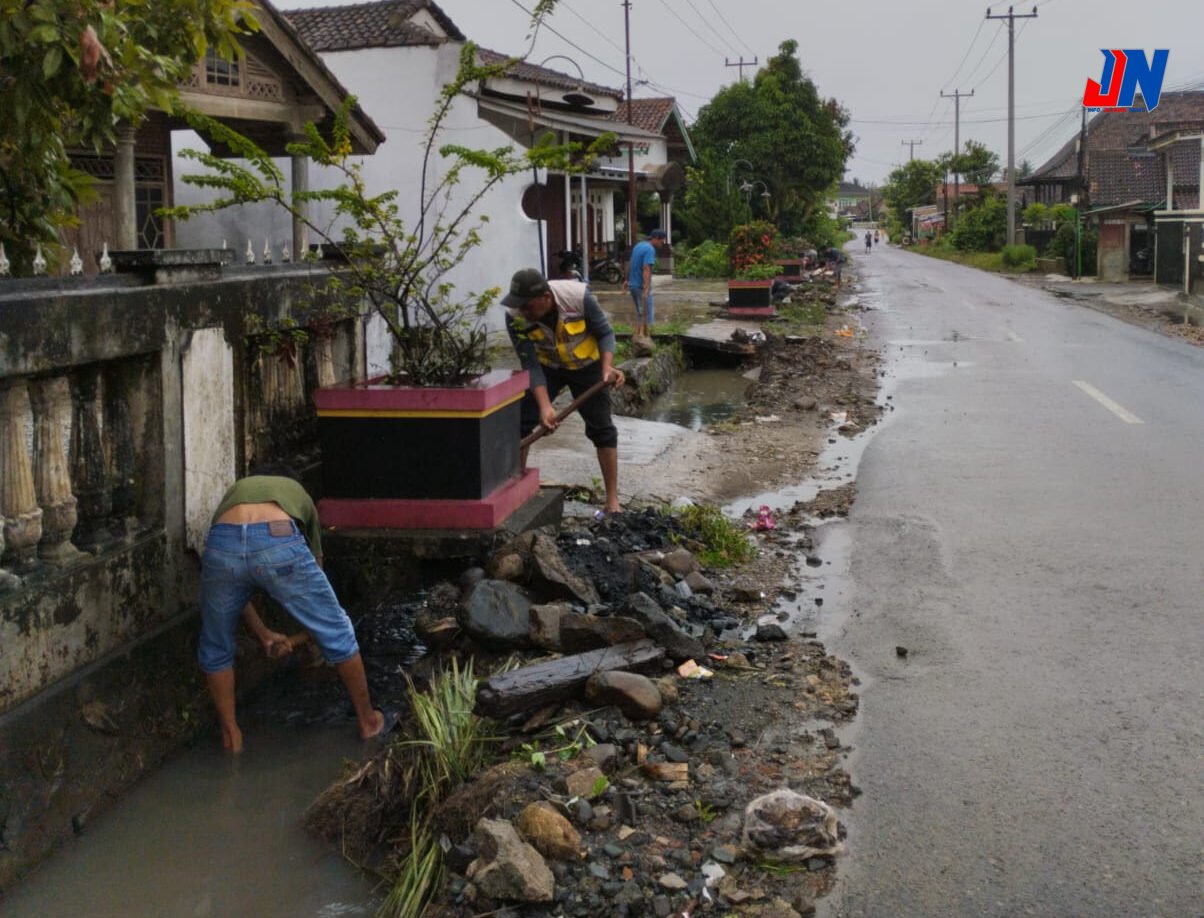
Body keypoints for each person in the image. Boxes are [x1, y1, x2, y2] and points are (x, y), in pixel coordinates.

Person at [197, 474, 387, 753]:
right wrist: (311, 633)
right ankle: (368, 722)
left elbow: (236, 590)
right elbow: (317, 581)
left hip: (223, 542)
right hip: (276, 535)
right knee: (337, 630)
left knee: (215, 645)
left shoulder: (235, 493)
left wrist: (262, 633)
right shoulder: (301, 497)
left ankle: (231, 737)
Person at [504, 268, 626, 514]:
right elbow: (530, 364)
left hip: (586, 365)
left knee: (602, 429)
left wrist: (606, 368)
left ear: (546, 299)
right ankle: (514, 491)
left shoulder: (578, 297)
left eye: (528, 306)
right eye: (520, 306)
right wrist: (545, 406)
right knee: (520, 421)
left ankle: (613, 501)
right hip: (548, 367)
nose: (523, 312)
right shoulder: (515, 316)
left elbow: (605, 332)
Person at [624, 228, 668, 338]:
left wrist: (626, 280)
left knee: (640, 313)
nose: (662, 244)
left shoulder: (639, 245)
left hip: (633, 286)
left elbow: (631, 263)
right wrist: (647, 287)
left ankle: (640, 337)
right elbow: (646, 268)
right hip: (640, 286)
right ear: (656, 238)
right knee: (648, 316)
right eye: (662, 241)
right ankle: (648, 339)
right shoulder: (650, 250)